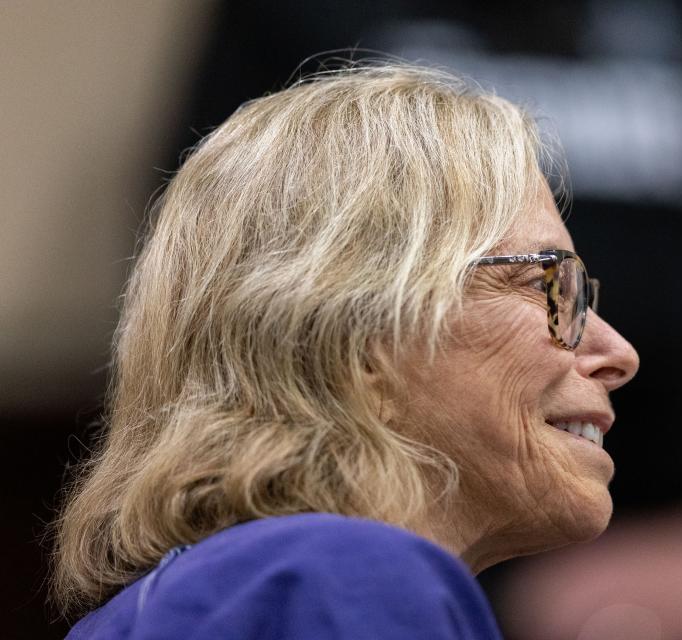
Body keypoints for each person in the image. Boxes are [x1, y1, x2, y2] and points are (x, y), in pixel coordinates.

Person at [52, 63, 639, 639]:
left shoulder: (189, 603)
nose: (619, 353)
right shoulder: (345, 576)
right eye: (547, 288)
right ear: (358, 340)